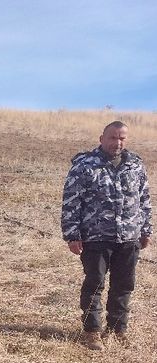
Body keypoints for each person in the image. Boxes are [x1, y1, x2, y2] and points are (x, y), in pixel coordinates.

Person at [61, 121, 151, 350]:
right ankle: (92, 331)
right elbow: (72, 201)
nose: (117, 142)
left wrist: (146, 229)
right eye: (112, 137)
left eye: (121, 138)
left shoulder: (135, 165)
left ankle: (117, 329)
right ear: (102, 138)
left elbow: (144, 200)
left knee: (124, 285)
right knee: (95, 283)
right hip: (95, 237)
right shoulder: (85, 165)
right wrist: (72, 234)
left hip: (129, 237)